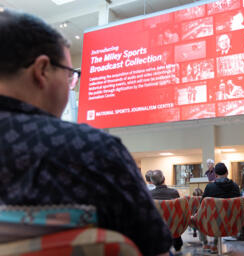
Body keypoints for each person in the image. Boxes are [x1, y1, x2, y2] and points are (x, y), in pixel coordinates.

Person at [0, 9, 171, 256]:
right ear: (42, 70)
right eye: (70, 75)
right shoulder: (94, 152)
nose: (71, 86)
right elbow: (156, 250)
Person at [200, 163, 241, 253]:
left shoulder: (210, 187)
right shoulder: (235, 187)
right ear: (227, 172)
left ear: (215, 174)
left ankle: (206, 243)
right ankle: (214, 244)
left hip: (213, 223)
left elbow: (202, 206)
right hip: (233, 223)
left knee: (205, 215)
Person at [150, 170, 182, 254]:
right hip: (173, 225)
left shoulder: (149, 194)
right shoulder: (174, 192)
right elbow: (179, 210)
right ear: (164, 178)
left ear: (152, 182)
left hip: (157, 226)